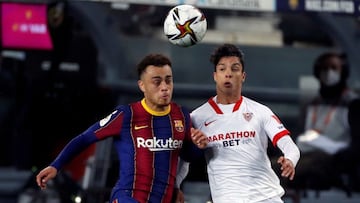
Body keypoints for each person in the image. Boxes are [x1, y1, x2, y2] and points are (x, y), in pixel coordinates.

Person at [36, 53, 208, 203]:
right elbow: (85, 137)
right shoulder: (126, 115)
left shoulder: (181, 115)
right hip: (128, 197)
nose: (164, 87)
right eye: (157, 82)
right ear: (142, 85)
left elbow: (187, 155)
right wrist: (56, 165)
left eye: (168, 80)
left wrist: (198, 147)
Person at [178, 44, 300, 203]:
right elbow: (184, 159)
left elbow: (289, 145)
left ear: (243, 76)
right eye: (222, 69)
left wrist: (290, 159)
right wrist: (176, 186)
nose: (228, 74)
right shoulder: (197, 117)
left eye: (234, 69)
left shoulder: (260, 111)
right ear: (215, 75)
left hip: (266, 197)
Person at [293, 51, 359, 189]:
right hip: (307, 151)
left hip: (333, 157)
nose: (328, 73)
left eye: (334, 68)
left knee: (284, 168)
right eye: (324, 69)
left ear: (343, 72)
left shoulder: (353, 103)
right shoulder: (313, 102)